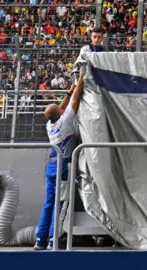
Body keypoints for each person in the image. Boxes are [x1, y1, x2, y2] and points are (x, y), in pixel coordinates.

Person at [34, 68, 85, 250]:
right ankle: (53, 240)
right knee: (60, 204)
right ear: (59, 114)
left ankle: (40, 239)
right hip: (63, 169)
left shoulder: (50, 124)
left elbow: (61, 107)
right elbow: (76, 100)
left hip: (51, 168)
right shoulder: (66, 121)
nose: (62, 108)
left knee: (48, 204)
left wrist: (67, 92)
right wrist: (81, 77)